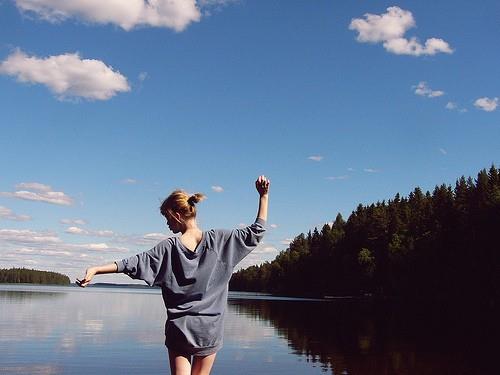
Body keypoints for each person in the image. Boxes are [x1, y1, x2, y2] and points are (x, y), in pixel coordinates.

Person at [77, 175, 270, 375]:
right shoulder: (221, 241)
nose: (167, 224)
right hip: (209, 329)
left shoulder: (168, 248)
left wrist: (96, 269)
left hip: (180, 330)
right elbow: (257, 231)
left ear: (177, 215)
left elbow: (131, 264)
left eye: (167, 218)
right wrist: (263, 196)